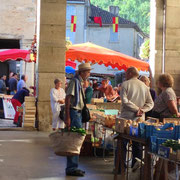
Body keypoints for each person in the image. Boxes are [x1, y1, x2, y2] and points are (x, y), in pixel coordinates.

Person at [119, 67, 154, 169]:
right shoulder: (144, 86)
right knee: (137, 143)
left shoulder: (125, 84)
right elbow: (151, 103)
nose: (125, 75)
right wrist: (142, 110)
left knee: (122, 142)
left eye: (126, 73)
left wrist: (136, 109)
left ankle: (120, 167)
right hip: (139, 119)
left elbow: (124, 101)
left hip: (126, 118)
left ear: (130, 73)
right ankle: (136, 167)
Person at [65, 63, 92, 177]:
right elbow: (68, 98)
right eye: (88, 71)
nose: (89, 74)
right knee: (74, 140)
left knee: (76, 140)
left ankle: (73, 166)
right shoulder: (75, 82)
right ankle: (71, 167)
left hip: (77, 113)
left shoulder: (79, 82)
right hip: (74, 113)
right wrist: (68, 117)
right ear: (82, 72)